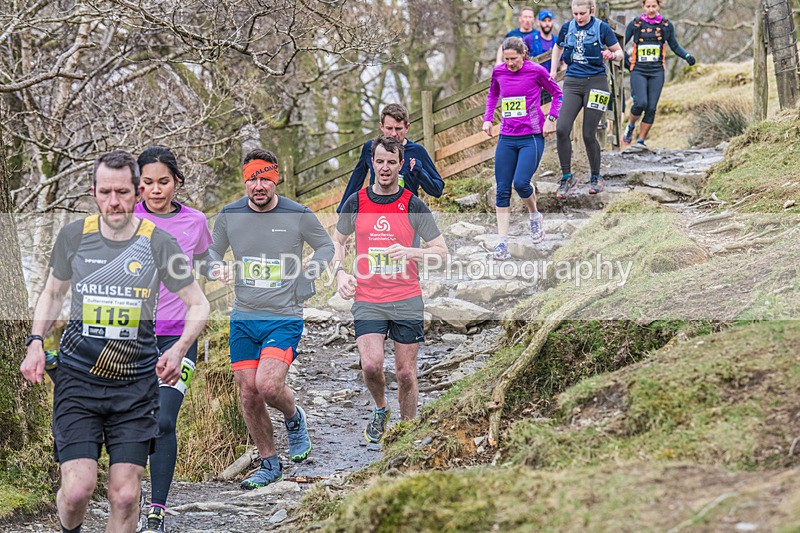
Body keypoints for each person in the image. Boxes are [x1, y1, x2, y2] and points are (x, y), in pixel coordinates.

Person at [20, 150, 209, 533]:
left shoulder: (159, 242)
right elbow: (53, 293)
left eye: (122, 192)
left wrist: (178, 348)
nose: (114, 201)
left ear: (136, 193)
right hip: (78, 380)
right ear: (94, 192)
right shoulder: (74, 236)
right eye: (105, 192)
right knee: (77, 491)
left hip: (135, 386)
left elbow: (199, 303)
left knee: (124, 496)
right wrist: (36, 341)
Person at [208, 149, 334, 489]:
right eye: (253, 179)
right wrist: (214, 266)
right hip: (244, 317)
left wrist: (309, 275)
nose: (259, 186)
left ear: (275, 179)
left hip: (283, 315)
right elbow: (210, 252)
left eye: (265, 178)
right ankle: (269, 463)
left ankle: (294, 418)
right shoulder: (229, 215)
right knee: (248, 393)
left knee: (267, 385)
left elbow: (326, 247)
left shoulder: (297, 213)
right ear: (245, 181)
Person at [332, 135, 448, 444]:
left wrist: (412, 253)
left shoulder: (413, 203)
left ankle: (408, 435)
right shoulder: (356, 201)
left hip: (406, 297)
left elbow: (441, 251)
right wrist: (340, 274)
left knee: (406, 374)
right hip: (368, 297)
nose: (385, 168)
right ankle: (381, 409)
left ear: (400, 165)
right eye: (379, 161)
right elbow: (337, 241)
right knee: (371, 365)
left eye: (391, 162)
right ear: (372, 163)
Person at [133, 146, 213, 533]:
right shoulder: (124, 218)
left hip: (179, 336)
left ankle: (157, 510)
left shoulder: (195, 221)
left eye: (163, 182)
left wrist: (221, 271)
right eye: (147, 182)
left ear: (177, 182)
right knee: (131, 421)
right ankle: (129, 496)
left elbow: (204, 259)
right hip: (129, 337)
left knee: (163, 420)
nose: (155, 189)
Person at [483, 37, 562, 260]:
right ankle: (502, 243)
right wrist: (488, 119)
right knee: (502, 189)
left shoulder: (535, 71)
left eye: (514, 59)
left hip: (532, 137)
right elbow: (492, 95)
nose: (510, 63)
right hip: (507, 137)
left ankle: (534, 215)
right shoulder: (499, 72)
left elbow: (557, 94)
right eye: (506, 59)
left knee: (521, 183)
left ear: (523, 54)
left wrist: (551, 118)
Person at [550, 0, 623, 197]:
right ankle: (567, 177)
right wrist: (553, 71)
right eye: (575, 14)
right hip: (573, 82)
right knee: (562, 128)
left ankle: (596, 177)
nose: (579, 17)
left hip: (596, 83)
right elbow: (557, 48)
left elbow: (621, 53)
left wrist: (611, 54)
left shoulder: (601, 27)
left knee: (588, 133)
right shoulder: (567, 27)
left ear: (591, 10)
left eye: (582, 13)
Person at [336, 103, 444, 214]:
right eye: (389, 128)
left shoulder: (417, 151)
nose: (393, 134)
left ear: (407, 127)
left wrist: (420, 172)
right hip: (377, 215)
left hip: (407, 217)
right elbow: (357, 178)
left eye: (398, 129)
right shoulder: (370, 148)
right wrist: (343, 210)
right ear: (381, 126)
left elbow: (437, 190)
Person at [622, 0, 696, 147]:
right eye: (648, 6)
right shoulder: (635, 24)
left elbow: (674, 45)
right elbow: (619, 44)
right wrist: (627, 63)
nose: (651, 9)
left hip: (657, 71)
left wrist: (687, 56)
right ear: (643, 6)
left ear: (659, 7)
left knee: (651, 108)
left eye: (654, 6)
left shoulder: (666, 26)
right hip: (638, 70)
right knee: (641, 103)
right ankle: (630, 126)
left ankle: (641, 142)